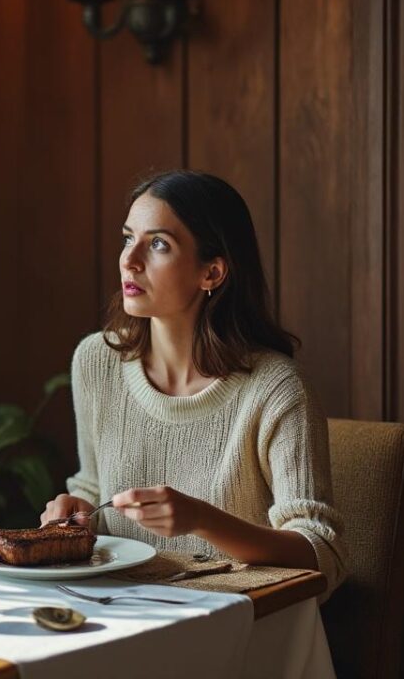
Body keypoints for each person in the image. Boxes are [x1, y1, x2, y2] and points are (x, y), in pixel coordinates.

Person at [40, 170, 347, 596]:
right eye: (128, 238)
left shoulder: (277, 388)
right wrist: (78, 509)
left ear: (212, 273)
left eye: (158, 244)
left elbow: (322, 554)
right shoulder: (97, 361)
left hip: (236, 623)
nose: (130, 259)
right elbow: (92, 486)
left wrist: (202, 519)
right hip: (117, 609)